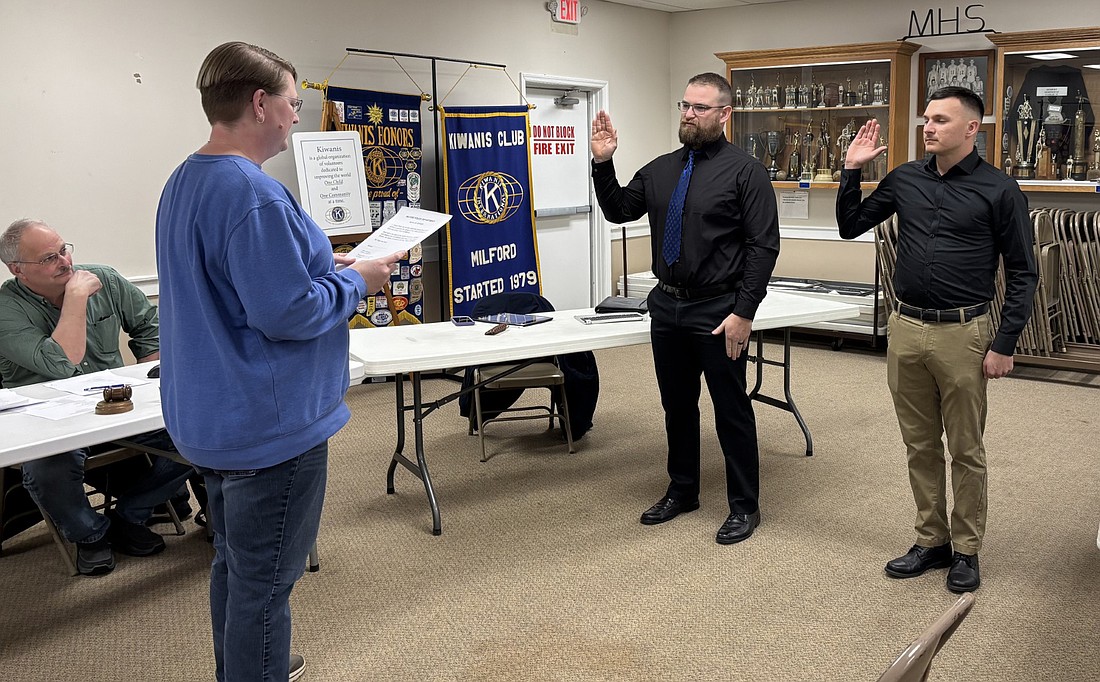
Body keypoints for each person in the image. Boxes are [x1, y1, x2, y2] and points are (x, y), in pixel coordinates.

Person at [155, 41, 403, 682]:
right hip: (268, 427)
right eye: (293, 104)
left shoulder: (188, 179)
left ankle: (244, 662)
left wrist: (327, 263)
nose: (297, 117)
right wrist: (361, 281)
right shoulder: (254, 195)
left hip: (212, 418)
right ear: (261, 103)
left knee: (236, 565)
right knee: (267, 584)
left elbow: (244, 278)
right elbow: (287, 314)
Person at [836, 86, 1038, 593]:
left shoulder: (1000, 189)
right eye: (927, 119)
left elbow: (1023, 272)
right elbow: (849, 225)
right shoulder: (905, 178)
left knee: (966, 448)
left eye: (941, 120)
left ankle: (967, 550)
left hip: (964, 333)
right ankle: (932, 540)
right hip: (905, 328)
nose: (928, 127)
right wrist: (853, 170)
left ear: (972, 129)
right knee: (919, 444)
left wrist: (1004, 343)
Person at [590, 72, 780, 545]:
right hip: (668, 309)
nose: (689, 114)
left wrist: (745, 312)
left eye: (700, 108)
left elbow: (763, 247)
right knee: (676, 406)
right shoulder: (661, 169)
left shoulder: (745, 172)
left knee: (730, 410)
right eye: (685, 106)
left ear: (724, 114)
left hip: (720, 312)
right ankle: (683, 490)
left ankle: (743, 507)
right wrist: (602, 164)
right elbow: (619, 210)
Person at [0, 219, 194, 576]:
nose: (64, 262)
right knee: (46, 469)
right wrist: (74, 299)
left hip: (115, 406)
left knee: (197, 432)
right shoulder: (6, 308)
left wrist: (148, 380)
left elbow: (151, 328)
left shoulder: (103, 277)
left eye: (64, 249)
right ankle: (90, 536)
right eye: (48, 258)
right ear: (18, 271)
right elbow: (60, 364)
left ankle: (129, 515)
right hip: (47, 420)